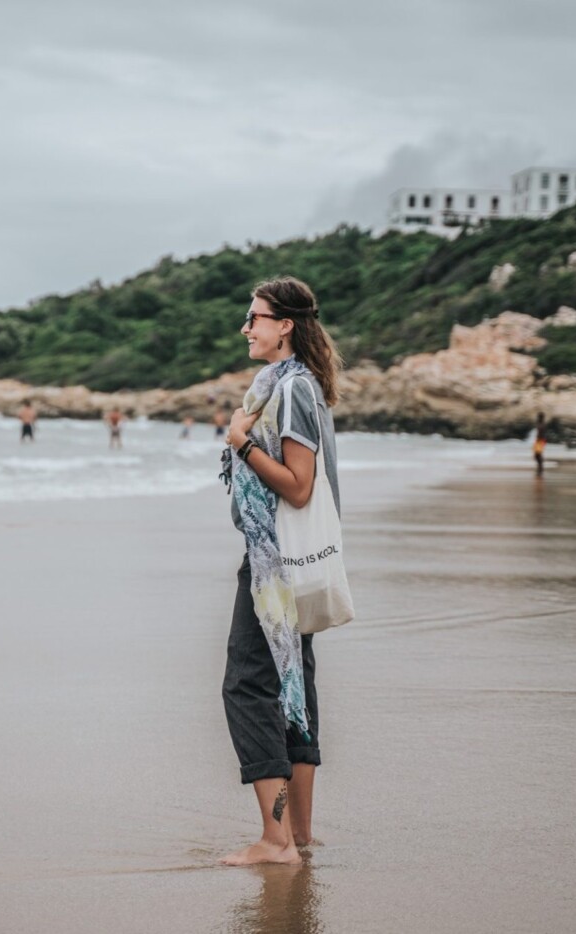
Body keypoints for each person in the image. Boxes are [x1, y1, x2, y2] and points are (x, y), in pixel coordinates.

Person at [219, 275, 343, 867]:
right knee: (294, 688)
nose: (247, 327)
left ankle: (276, 842)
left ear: (284, 325)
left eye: (255, 317)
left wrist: (243, 444)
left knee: (248, 686)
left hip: (276, 565)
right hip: (290, 562)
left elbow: (298, 487)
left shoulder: (291, 390)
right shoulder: (296, 385)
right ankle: (299, 833)